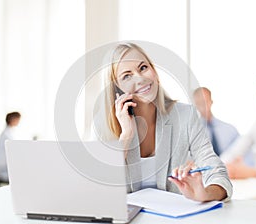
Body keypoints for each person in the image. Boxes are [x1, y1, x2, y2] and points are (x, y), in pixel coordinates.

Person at [93, 43, 232, 202]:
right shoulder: (101, 125)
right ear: (116, 89)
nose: (141, 79)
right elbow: (99, 186)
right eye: (127, 76)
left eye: (143, 67)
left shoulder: (185, 116)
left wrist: (205, 194)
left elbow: (218, 173)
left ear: (154, 71)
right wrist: (126, 135)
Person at [193, 87, 239, 156]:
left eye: (205, 101)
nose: (203, 105)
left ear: (211, 102)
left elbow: (242, 155)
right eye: (199, 103)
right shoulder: (192, 134)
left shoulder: (230, 130)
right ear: (195, 105)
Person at [0, 112, 21, 182]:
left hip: (3, 167)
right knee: (18, 178)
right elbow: (13, 150)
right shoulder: (6, 135)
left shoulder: (9, 132)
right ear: (12, 119)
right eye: (18, 119)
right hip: (1, 169)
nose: (18, 122)